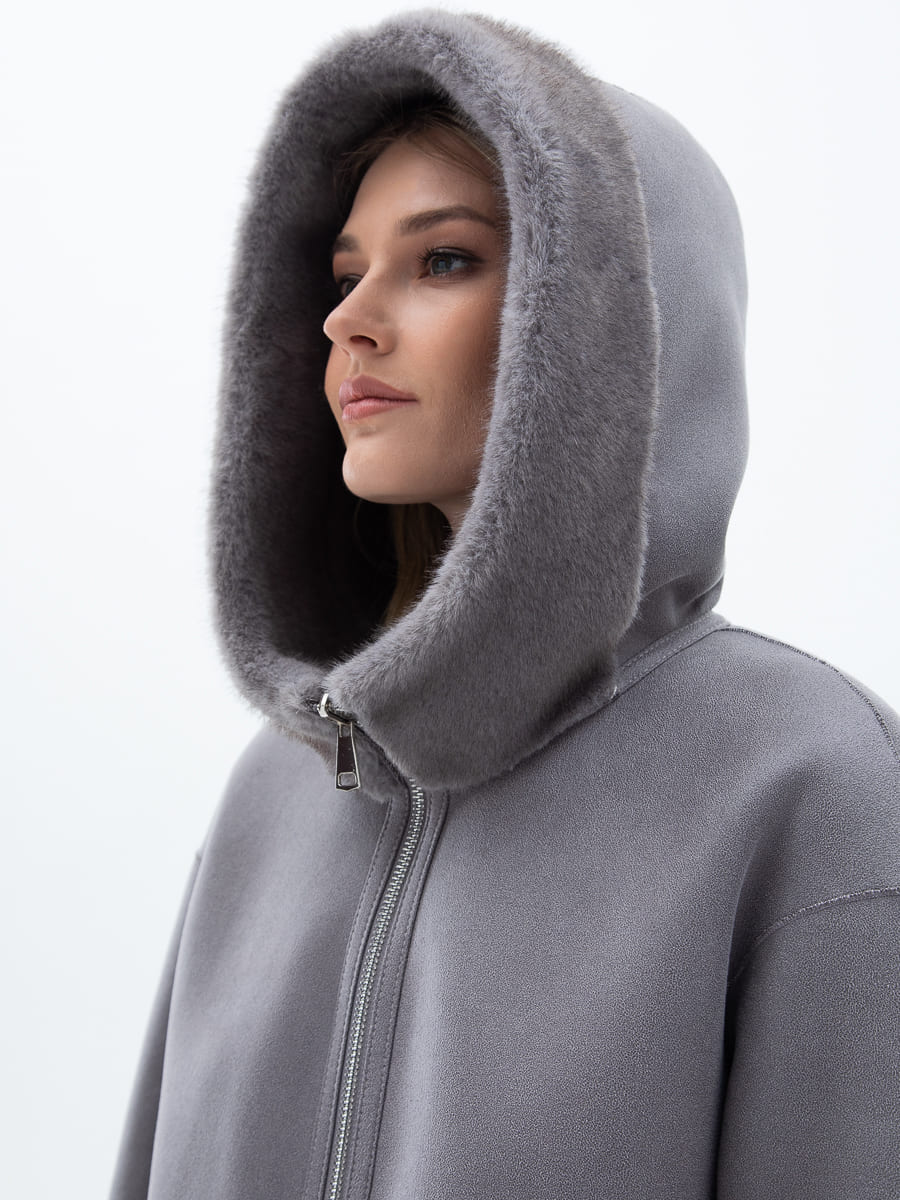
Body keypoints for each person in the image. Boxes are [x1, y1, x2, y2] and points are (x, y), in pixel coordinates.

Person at [110, 11, 900, 1199]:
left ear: (609, 322)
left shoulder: (807, 781)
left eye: (443, 259)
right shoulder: (277, 789)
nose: (347, 318)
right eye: (345, 274)